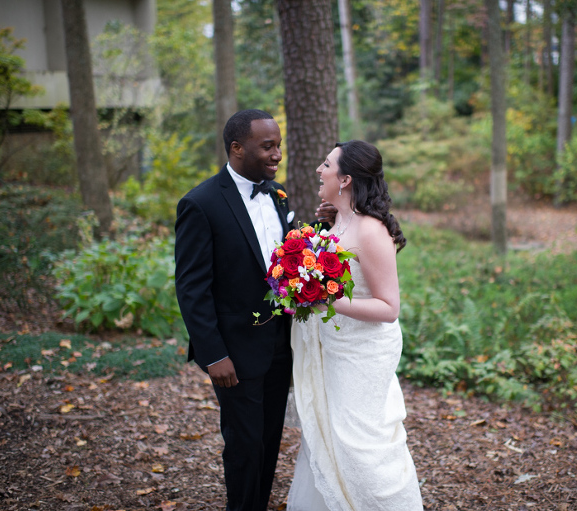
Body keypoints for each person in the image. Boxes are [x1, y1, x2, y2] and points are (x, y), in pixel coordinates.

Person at [287, 140, 423, 510]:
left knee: (362, 445)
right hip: (333, 348)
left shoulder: (370, 230)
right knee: (328, 436)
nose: (319, 169)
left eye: (326, 164)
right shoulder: (337, 221)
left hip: (362, 353)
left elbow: (389, 307)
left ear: (345, 179)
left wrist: (329, 300)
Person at [174, 109, 294, 511]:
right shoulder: (200, 203)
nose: (277, 154)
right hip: (234, 354)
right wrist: (214, 355)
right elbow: (192, 288)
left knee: (270, 440)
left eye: (278, 145)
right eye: (268, 146)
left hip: (281, 346)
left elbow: (282, 263)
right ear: (237, 148)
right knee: (244, 446)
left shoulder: (278, 195)